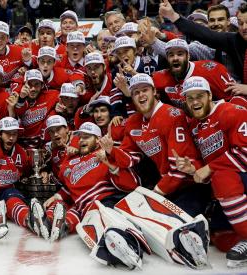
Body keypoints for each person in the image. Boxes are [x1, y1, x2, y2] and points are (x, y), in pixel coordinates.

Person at [101, 73, 208, 217]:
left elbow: (180, 169)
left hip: (192, 184)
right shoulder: (133, 122)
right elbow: (130, 158)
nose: (140, 95)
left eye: (145, 90)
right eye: (136, 92)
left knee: (171, 225)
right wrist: (111, 150)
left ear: (154, 92)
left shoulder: (172, 116)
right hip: (166, 184)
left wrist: (156, 193)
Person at [175, 76, 247, 268]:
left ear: (209, 96)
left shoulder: (231, 111)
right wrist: (194, 170)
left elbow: (245, 154)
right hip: (232, 183)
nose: (195, 102)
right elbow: (210, 175)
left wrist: (210, 168)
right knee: (221, 239)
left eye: (199, 96)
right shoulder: (197, 127)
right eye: (190, 98)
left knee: (222, 177)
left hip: (240, 177)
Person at [42, 122, 139, 242]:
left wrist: (109, 162)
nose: (82, 140)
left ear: (98, 139)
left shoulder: (106, 154)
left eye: (87, 137)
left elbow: (132, 185)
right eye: (80, 137)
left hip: (109, 202)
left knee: (117, 232)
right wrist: (56, 196)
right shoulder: (69, 163)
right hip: (89, 212)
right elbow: (69, 187)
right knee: (108, 238)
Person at [159, 0, 247, 92]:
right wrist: (172, 16)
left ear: (229, 21)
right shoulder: (232, 40)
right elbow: (203, 34)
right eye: (241, 23)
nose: (244, 27)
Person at [15, 69, 59, 148]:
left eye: (36, 85)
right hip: (20, 142)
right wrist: (21, 98)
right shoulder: (17, 97)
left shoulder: (51, 95)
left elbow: (67, 99)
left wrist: (61, 105)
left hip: (42, 142)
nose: (33, 89)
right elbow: (17, 112)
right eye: (30, 85)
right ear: (24, 85)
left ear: (42, 85)